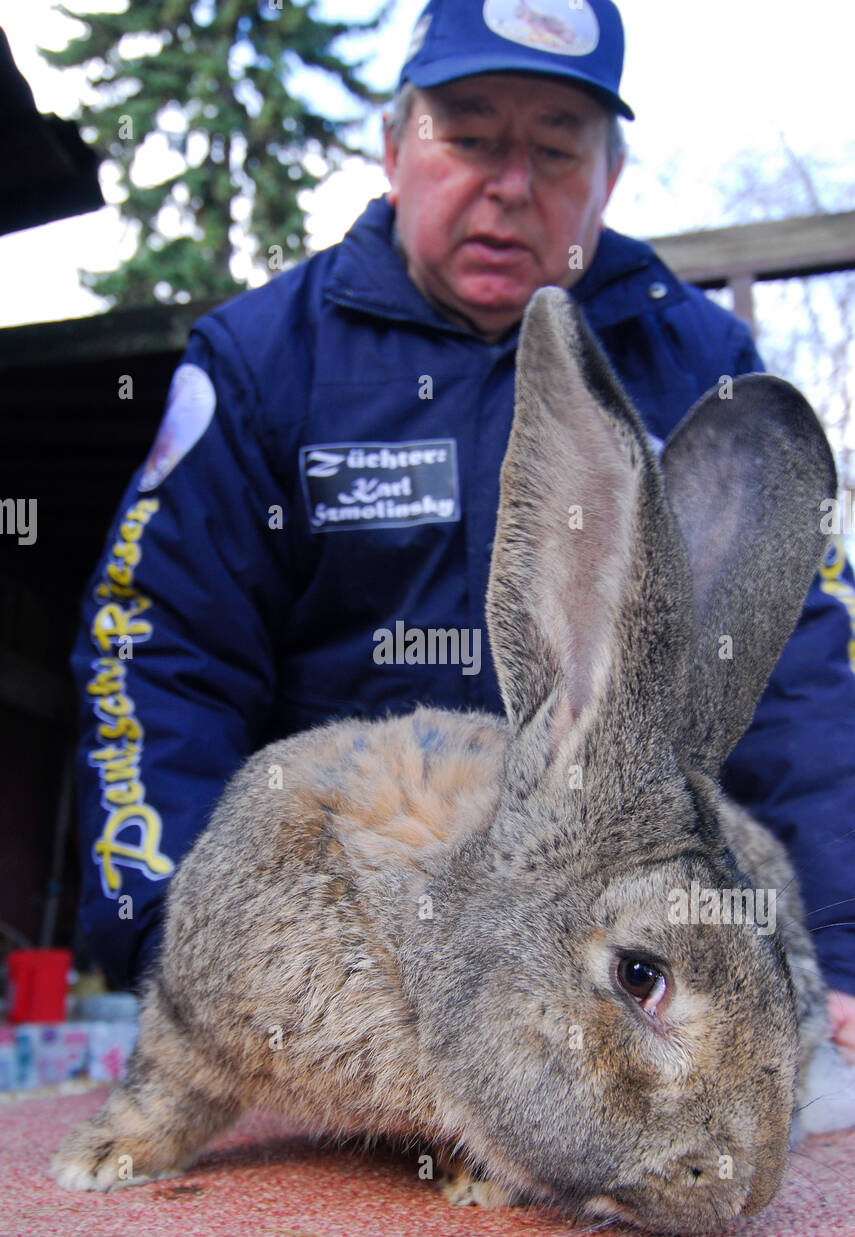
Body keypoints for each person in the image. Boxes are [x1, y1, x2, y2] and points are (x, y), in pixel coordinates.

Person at [71, 0, 855, 1058]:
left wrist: (841, 949)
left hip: (617, 979)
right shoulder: (262, 366)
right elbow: (158, 648)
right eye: (472, 137)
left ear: (608, 180)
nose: (511, 186)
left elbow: (803, 671)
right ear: (394, 149)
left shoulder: (703, 372)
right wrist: (175, 937)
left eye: (555, 148)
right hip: (342, 958)